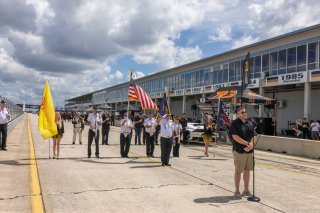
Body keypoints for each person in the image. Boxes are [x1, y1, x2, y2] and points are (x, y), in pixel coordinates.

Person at [230, 107, 257, 199]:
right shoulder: (234, 123)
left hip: (249, 151)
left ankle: (246, 190)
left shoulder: (250, 123)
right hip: (239, 151)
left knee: (247, 171)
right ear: (238, 114)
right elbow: (235, 136)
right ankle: (237, 191)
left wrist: (252, 144)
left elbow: (254, 135)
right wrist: (247, 144)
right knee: (238, 171)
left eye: (245, 112)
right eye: (242, 112)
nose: (245, 113)